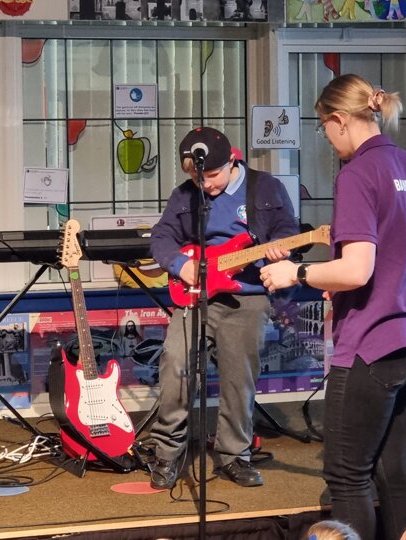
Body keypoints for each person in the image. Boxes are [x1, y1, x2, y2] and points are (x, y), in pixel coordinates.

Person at [261, 74, 406, 539]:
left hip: (373, 344)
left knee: (348, 477)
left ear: (339, 119)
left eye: (324, 127)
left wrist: (297, 273)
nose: (327, 138)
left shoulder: (358, 174)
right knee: (396, 473)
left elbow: (356, 270)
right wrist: (373, 278)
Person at [148, 126, 299, 489]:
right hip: (195, 293)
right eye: (198, 178)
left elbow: (287, 230)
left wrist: (281, 245)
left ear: (232, 161)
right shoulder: (185, 195)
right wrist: (180, 265)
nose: (206, 185)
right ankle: (167, 453)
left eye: (213, 176)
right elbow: (162, 236)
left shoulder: (266, 188)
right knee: (175, 366)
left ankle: (234, 455)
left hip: (245, 295)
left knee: (237, 378)